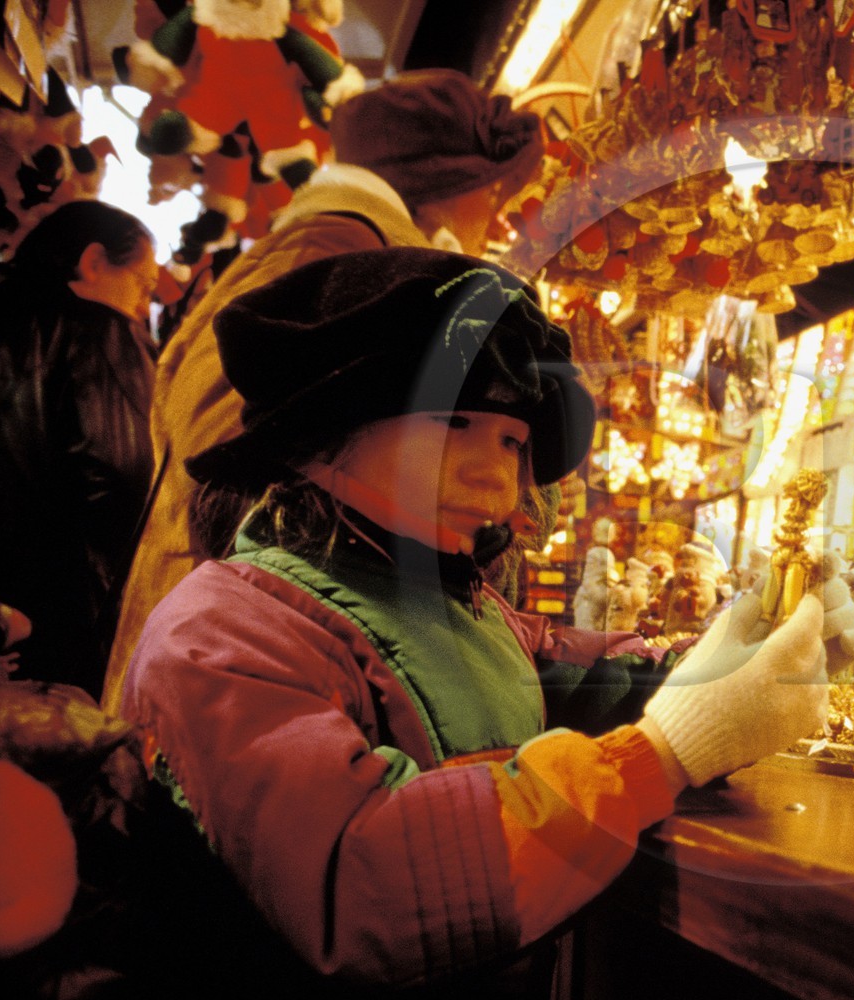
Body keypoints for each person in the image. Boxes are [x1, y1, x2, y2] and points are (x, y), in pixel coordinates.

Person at [119, 248, 854, 1000]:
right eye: (454, 423)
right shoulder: (221, 630)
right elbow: (368, 885)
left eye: (512, 441)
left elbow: (563, 678)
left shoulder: (455, 602)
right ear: (327, 427)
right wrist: (662, 753)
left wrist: (735, 658)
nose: (496, 477)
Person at [103, 67, 547, 713]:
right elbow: (230, 457)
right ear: (441, 189)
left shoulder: (335, 244)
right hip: (237, 673)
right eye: (491, 192)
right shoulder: (337, 253)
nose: (497, 215)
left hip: (231, 652)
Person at [0, 201, 159, 694]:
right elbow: (126, 478)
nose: (141, 307)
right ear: (92, 262)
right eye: (142, 286)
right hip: (60, 631)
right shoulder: (100, 335)